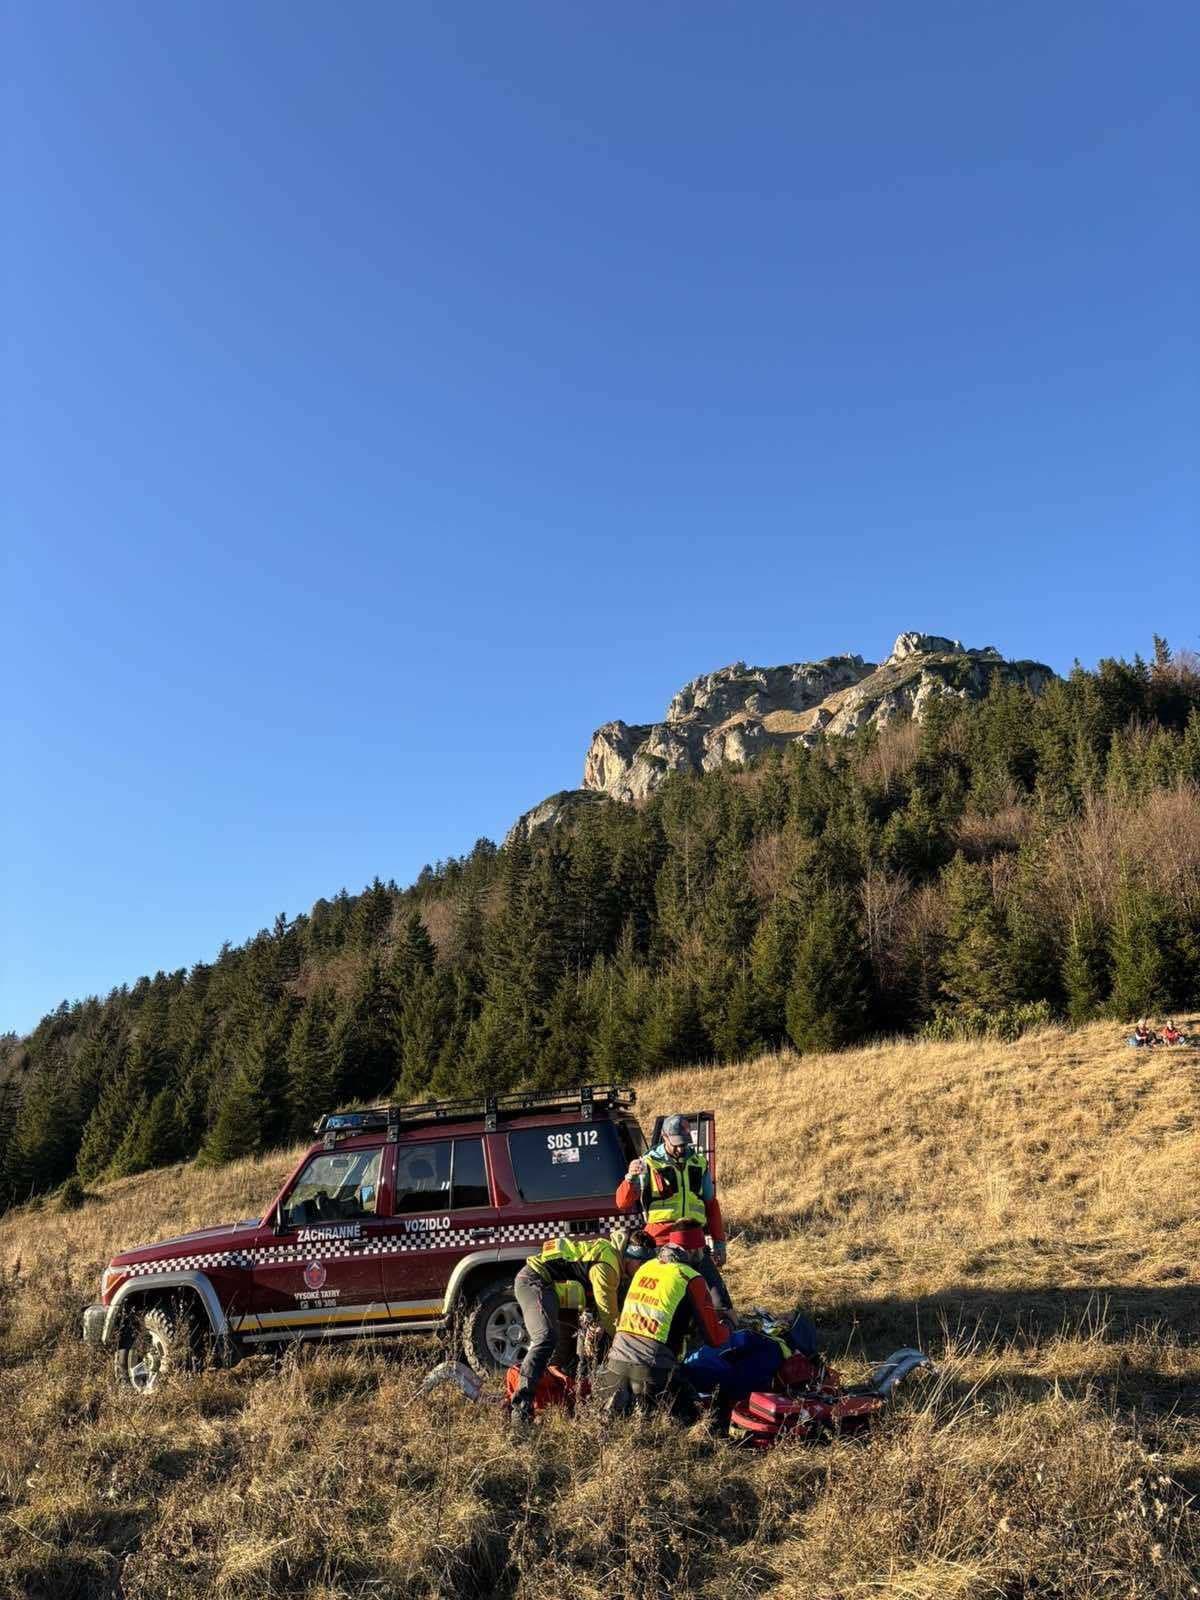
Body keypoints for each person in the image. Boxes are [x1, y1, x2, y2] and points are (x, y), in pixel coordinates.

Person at [595, 1238, 731, 1420]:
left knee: (620, 1424)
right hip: (652, 1369)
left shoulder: (646, 1268)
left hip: (614, 1366)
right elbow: (714, 1338)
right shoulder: (690, 1276)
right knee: (699, 1420)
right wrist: (728, 1325)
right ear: (690, 1254)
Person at [509, 1228, 628, 1431]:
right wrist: (625, 1348)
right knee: (545, 1337)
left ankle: (563, 1391)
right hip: (534, 1280)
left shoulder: (607, 1254)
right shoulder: (606, 1265)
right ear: (630, 1257)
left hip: (558, 1289)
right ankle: (520, 1410)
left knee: (565, 1340)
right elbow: (609, 1315)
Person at [615, 1114, 731, 1310]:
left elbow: (711, 1204)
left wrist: (719, 1243)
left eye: (684, 1143)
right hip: (661, 1244)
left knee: (719, 1301)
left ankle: (720, 1333)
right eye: (676, 1143)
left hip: (694, 1242)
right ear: (664, 1136)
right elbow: (622, 1203)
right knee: (666, 1304)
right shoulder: (647, 1164)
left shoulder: (699, 1163)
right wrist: (630, 1178)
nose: (680, 1148)